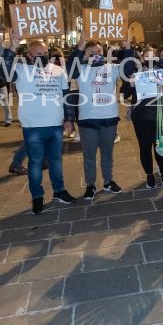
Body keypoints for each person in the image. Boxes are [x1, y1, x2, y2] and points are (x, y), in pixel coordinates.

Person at [0, 32, 75, 214]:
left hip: (55, 123)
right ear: (29, 55)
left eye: (45, 53)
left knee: (56, 161)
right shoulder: (21, 70)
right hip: (33, 126)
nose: (42, 56)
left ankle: (59, 191)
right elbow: (3, 73)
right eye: (38, 54)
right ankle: (37, 197)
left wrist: (69, 118)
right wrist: (11, 48)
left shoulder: (58, 70)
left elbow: (66, 96)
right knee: (35, 162)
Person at [67, 36, 133, 202]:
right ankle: (90, 184)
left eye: (99, 51)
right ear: (85, 55)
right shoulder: (80, 69)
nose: (96, 54)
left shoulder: (111, 68)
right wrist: (79, 48)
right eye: (92, 52)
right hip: (88, 119)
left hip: (108, 118)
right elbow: (70, 70)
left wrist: (127, 48)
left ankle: (108, 181)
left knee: (107, 154)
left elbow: (128, 69)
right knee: (89, 155)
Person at [123, 47, 163, 188]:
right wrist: (129, 83)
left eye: (153, 57)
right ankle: (149, 174)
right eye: (147, 57)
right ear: (143, 58)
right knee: (144, 147)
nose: (150, 60)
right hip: (141, 116)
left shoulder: (162, 73)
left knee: (161, 145)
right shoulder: (136, 73)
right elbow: (125, 94)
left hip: (159, 114)